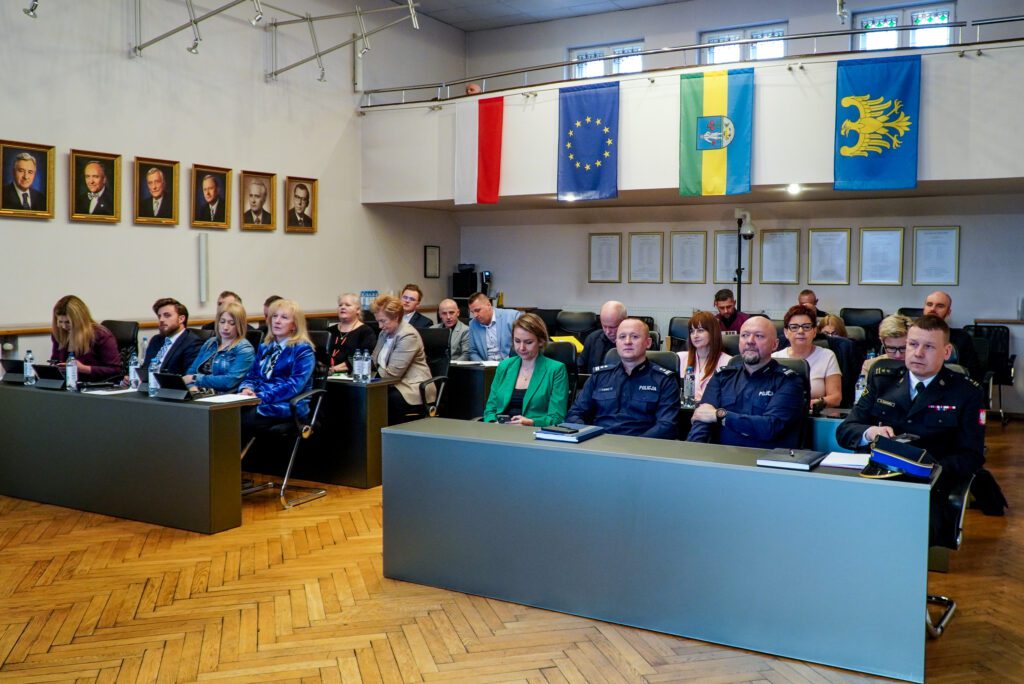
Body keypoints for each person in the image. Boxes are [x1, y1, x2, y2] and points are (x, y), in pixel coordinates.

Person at [837, 315, 985, 543]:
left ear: (946, 352)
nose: (918, 353)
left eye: (928, 347)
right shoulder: (882, 379)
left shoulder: (966, 393)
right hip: (876, 479)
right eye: (913, 345)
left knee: (906, 538)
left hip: (927, 486)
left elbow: (971, 455)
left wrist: (928, 469)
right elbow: (846, 431)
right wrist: (870, 433)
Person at [687, 316, 804, 448]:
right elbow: (702, 420)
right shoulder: (723, 376)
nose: (750, 341)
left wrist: (719, 415)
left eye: (759, 336)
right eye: (744, 335)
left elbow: (769, 427)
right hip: (721, 459)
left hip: (765, 460)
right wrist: (693, 452)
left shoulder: (788, 381)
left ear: (775, 344)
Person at [565, 318, 678, 439]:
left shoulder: (664, 380)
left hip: (641, 449)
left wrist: (634, 445)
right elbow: (575, 414)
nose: (627, 342)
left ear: (648, 342)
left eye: (635, 337)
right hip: (598, 444)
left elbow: (667, 425)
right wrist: (590, 435)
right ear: (616, 342)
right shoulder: (599, 377)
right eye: (622, 337)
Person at [239, 299, 316, 443]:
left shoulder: (303, 350)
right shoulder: (265, 347)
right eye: (274, 316)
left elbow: (294, 386)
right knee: (224, 414)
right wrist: (246, 389)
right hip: (258, 400)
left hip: (286, 404)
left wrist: (260, 397)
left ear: (294, 325)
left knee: (240, 419)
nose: (277, 321)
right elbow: (252, 376)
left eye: (284, 317)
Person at [483, 313, 568, 427]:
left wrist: (531, 422)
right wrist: (493, 423)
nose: (521, 348)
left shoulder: (556, 370)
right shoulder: (504, 366)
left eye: (528, 342)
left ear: (541, 341)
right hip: (500, 431)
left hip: (533, 434)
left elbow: (556, 417)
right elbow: (490, 409)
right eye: (517, 341)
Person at [371, 294, 435, 423]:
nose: (380, 326)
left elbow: (393, 374)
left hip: (411, 387)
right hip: (389, 384)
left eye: (383, 321)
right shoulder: (384, 333)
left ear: (396, 317)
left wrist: (371, 376)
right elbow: (373, 360)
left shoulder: (407, 335)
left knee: (384, 400)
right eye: (378, 321)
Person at [772, 305, 842, 410]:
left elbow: (836, 398)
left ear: (814, 331)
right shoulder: (775, 358)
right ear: (786, 332)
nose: (800, 331)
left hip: (813, 415)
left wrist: (815, 403)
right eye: (794, 327)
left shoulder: (827, 356)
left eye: (806, 327)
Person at [183, 300, 255, 394]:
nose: (225, 327)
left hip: (223, 399)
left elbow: (229, 381)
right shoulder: (210, 342)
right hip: (200, 394)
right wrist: (192, 387)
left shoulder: (245, 349)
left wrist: (195, 379)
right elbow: (191, 371)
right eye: (222, 321)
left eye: (231, 323)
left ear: (239, 325)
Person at [49, 295, 122, 381]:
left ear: (79, 320)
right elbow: (55, 361)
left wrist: (84, 369)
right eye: (60, 322)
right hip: (68, 384)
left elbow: (115, 370)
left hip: (93, 385)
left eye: (68, 322)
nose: (64, 326)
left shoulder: (101, 335)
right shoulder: (60, 334)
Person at [139, 298, 204, 376]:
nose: (161, 320)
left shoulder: (192, 342)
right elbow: (146, 368)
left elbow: (189, 377)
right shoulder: (156, 340)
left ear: (181, 319)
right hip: (147, 385)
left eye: (167, 315)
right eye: (159, 316)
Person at [923, 291, 979, 379]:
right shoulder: (911, 335)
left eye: (940, 306)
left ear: (948, 312)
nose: (933, 309)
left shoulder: (962, 338)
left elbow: (972, 373)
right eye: (929, 304)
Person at [677, 311, 730, 402]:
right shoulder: (679, 358)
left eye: (700, 330)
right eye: (692, 331)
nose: (695, 335)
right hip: (684, 411)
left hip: (712, 412)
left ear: (713, 332)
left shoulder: (727, 361)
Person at [327, 292, 377, 373]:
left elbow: (362, 358)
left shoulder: (366, 332)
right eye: (340, 305)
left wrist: (334, 369)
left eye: (347, 305)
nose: (342, 307)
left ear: (358, 310)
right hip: (326, 375)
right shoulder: (329, 331)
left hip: (353, 376)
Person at [467, 292, 522, 361]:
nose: (475, 315)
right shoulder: (473, 324)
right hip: (486, 367)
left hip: (510, 364)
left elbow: (522, 345)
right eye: (472, 312)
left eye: (477, 310)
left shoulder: (513, 317)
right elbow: (472, 351)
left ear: (489, 305)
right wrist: (482, 365)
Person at [578, 300, 627, 372]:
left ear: (624, 321)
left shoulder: (634, 343)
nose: (607, 332)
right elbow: (580, 365)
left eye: (612, 327)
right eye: (604, 326)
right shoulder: (593, 338)